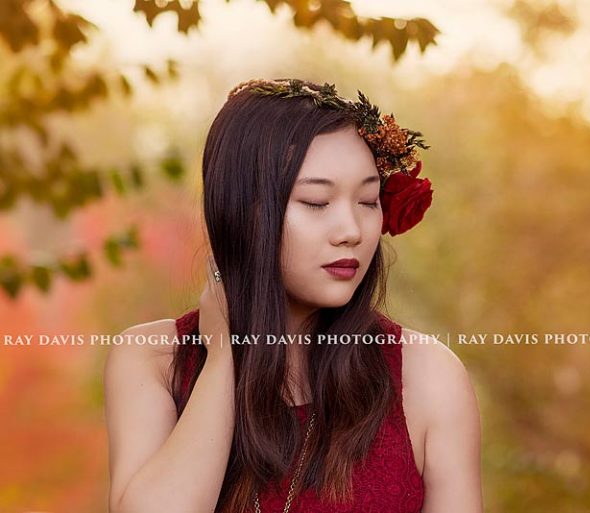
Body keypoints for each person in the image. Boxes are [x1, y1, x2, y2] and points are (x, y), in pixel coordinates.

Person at [103, 78, 482, 513]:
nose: (351, 232)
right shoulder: (153, 360)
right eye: (317, 202)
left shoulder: (427, 376)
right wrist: (224, 357)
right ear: (241, 211)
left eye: (368, 200)